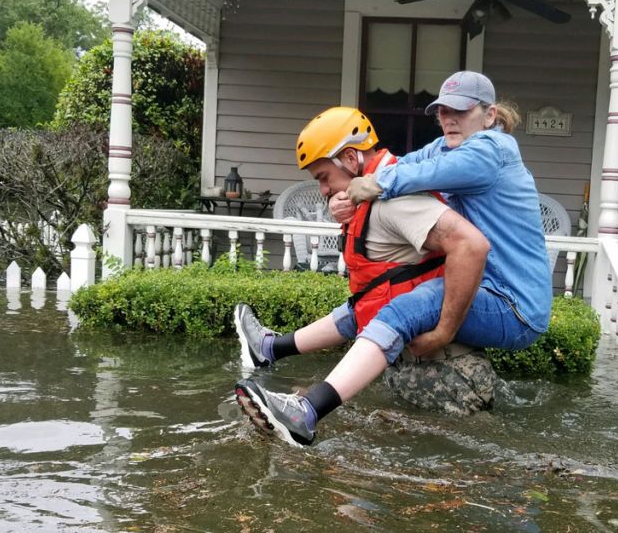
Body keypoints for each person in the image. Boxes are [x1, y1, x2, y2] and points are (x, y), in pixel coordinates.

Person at [236, 71, 553, 446]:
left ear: (489, 115)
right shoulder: (448, 146)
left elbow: (427, 178)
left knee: (408, 306)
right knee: (384, 294)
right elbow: (403, 164)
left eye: (461, 111)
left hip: (514, 306)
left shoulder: (491, 149)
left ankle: (307, 412)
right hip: (489, 289)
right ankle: (270, 349)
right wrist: (349, 194)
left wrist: (444, 332)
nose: (449, 119)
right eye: (442, 111)